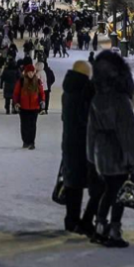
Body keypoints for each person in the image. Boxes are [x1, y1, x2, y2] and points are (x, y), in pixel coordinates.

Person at [88, 51, 134, 248]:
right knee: (119, 193)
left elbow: (91, 129)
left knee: (108, 190)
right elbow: (128, 131)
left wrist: (92, 154)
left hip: (102, 151)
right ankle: (114, 229)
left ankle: (99, 226)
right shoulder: (121, 100)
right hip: (119, 152)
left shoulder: (97, 98)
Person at [61, 60, 95, 236]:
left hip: (69, 141)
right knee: (93, 184)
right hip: (84, 143)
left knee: (73, 183)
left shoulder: (68, 89)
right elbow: (87, 117)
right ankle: (83, 221)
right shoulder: (85, 90)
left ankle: (71, 219)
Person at [13, 64, 46, 150]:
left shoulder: (38, 81)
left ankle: (32, 142)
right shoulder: (21, 81)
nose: (31, 74)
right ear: (26, 72)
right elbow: (16, 93)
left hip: (34, 108)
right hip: (23, 107)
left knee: (32, 125)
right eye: (29, 72)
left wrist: (42, 100)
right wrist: (16, 103)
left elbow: (42, 93)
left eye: (32, 72)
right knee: (24, 125)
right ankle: (25, 141)